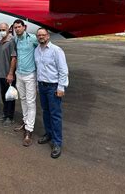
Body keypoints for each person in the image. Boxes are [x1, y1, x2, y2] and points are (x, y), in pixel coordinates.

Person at [34, 28, 69, 159]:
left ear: (48, 36)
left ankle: (57, 142)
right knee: (45, 112)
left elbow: (63, 70)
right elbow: (39, 70)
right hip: (42, 86)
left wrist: (61, 88)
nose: (41, 37)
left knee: (55, 115)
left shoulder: (56, 50)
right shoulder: (37, 50)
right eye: (39, 35)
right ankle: (48, 134)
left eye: (43, 35)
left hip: (53, 87)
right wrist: (38, 86)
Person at [8, 19, 38, 146]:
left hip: (30, 74)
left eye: (19, 27)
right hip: (19, 74)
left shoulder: (33, 38)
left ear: (24, 27)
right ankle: (26, 122)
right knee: (23, 99)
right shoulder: (16, 39)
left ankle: (29, 130)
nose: (17, 29)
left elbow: (43, 47)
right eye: (15, 27)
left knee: (31, 102)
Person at [0, 22, 17, 126]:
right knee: (4, 95)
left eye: (3, 29)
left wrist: (10, 73)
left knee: (10, 96)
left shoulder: (11, 40)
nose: (2, 31)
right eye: (0, 29)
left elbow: (14, 58)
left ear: (9, 29)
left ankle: (10, 117)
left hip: (8, 74)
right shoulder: (1, 41)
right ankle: (5, 114)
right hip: (1, 74)